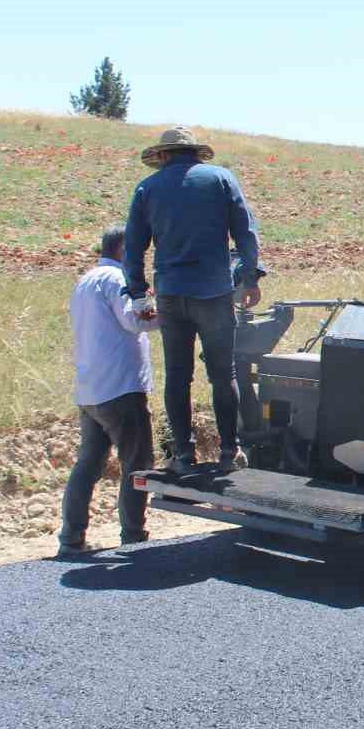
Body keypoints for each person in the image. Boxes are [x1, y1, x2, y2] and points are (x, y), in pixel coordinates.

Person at [124, 126, 262, 476]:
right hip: (214, 293)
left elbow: (133, 247)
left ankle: (183, 456)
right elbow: (245, 231)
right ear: (195, 153)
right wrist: (249, 278)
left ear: (164, 155)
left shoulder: (147, 188)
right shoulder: (220, 179)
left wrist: (139, 295)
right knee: (222, 375)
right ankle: (230, 451)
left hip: (170, 293)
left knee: (177, 376)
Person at [58, 225, 160, 558]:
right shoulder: (117, 280)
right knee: (137, 462)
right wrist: (165, 309)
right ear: (124, 250)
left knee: (88, 464)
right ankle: (133, 536)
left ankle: (71, 538)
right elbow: (136, 321)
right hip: (120, 387)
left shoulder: (85, 280)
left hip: (90, 389)